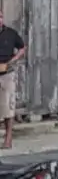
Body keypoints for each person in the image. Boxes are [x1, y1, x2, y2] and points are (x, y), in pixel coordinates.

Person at [0, 19, 26, 152]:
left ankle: (8, 138)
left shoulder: (10, 33)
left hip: (7, 73)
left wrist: (14, 60)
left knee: (8, 106)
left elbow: (22, 47)